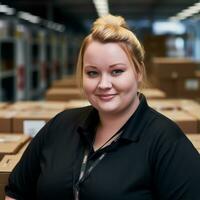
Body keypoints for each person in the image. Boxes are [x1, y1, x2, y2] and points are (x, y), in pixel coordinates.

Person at [5, 14, 200, 200]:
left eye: (116, 71)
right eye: (92, 73)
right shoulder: (60, 126)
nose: (103, 84)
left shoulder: (167, 141)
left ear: (138, 72)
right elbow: (16, 190)